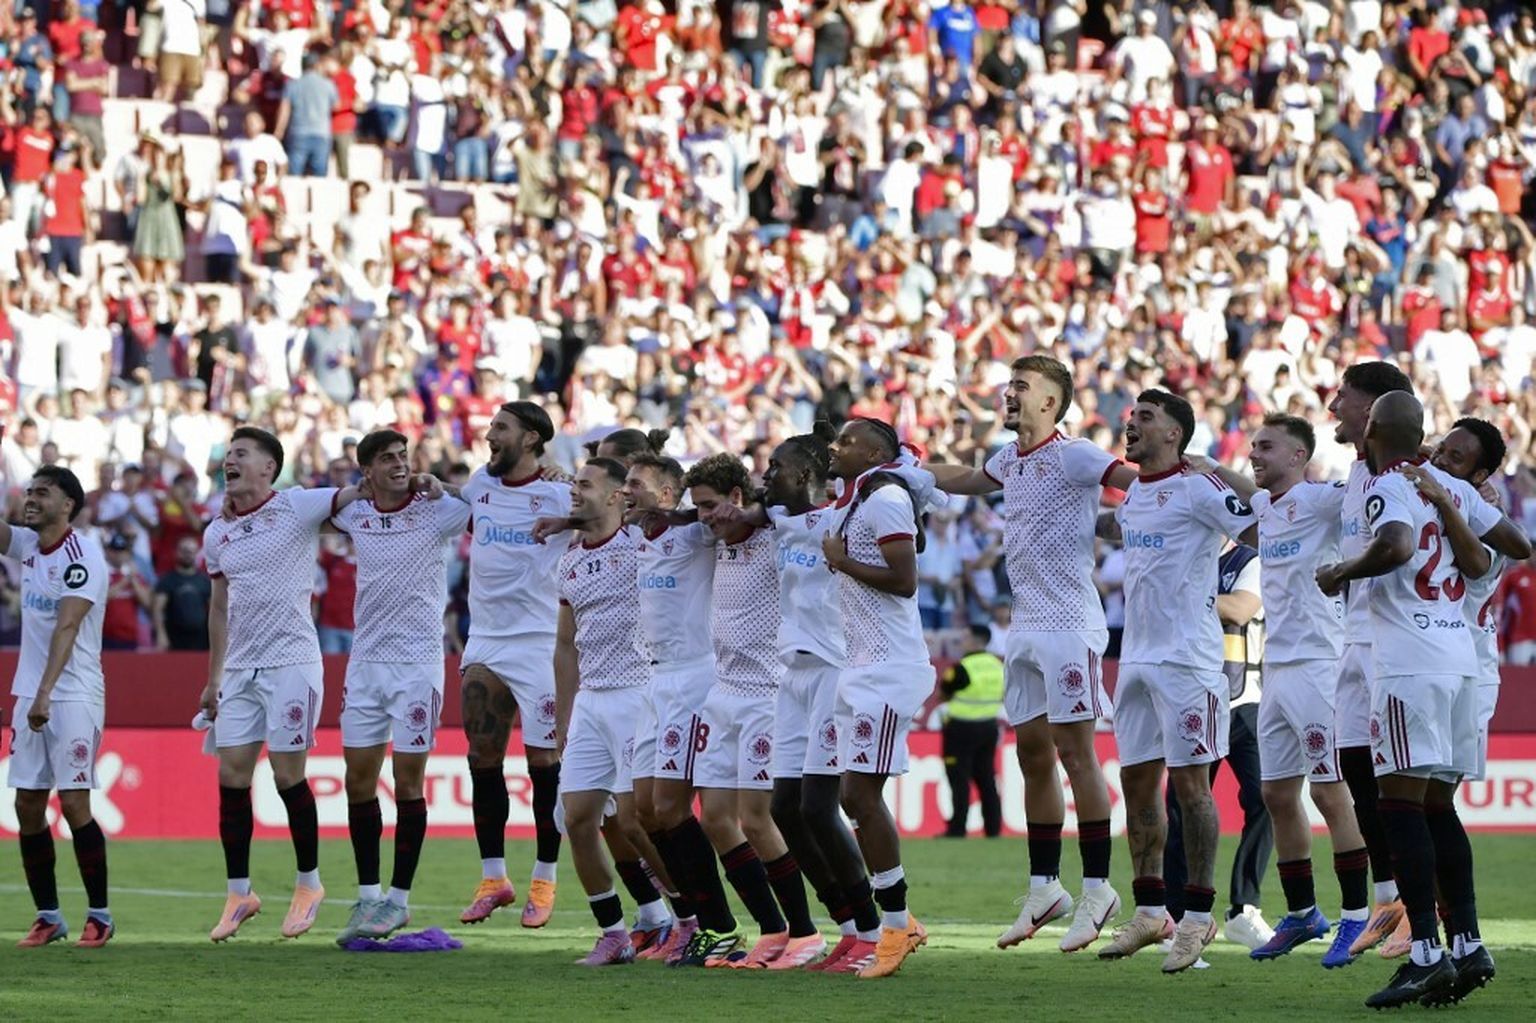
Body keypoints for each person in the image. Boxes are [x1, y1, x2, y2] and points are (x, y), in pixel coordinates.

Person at [1315, 391, 1528, 1008]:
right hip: (1461, 660)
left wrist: (1341, 571)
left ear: (1373, 431)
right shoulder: (1453, 488)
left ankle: (1426, 955)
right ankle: (1469, 945)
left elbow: (1399, 546)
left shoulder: (1390, 483)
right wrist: (1457, 502)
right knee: (1436, 807)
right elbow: (1516, 543)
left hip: (1409, 661)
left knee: (1399, 808)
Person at [926, 355, 1134, 952]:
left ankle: (1098, 888)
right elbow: (967, 479)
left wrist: (1169, 491)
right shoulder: (1007, 459)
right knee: (1032, 757)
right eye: (1009, 384)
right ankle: (1044, 886)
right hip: (1025, 626)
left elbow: (1131, 478)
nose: (1008, 393)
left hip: (1070, 624)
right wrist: (903, 469)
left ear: (1050, 401)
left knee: (1077, 755)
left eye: (1021, 385)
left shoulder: (1076, 455)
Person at [1093, 389, 1256, 973]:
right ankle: (1150, 910)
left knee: (1192, 788)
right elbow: (1118, 527)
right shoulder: (1137, 492)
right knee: (1137, 783)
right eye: (1132, 415)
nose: (1131, 424)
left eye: (1146, 417)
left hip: (1189, 660)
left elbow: (1259, 528)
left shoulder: (1199, 487)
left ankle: (1197, 917)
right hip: (1136, 658)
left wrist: (1226, 476)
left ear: (1174, 434)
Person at [199, 427, 361, 942]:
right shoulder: (216, 533)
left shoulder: (296, 506)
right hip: (239, 669)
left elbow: (356, 493)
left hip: (292, 662)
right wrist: (213, 677)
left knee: (288, 775)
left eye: (241, 454)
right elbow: (219, 608)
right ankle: (239, 893)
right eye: (228, 455)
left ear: (269, 467)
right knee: (231, 777)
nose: (230, 461)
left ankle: (309, 884)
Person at [1240, 414, 1372, 965]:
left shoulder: (1321, 500)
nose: (1255, 453)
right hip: (1276, 668)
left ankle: (1356, 916)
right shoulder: (1265, 507)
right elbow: (1241, 491)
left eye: (1266, 446)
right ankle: (1302, 914)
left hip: (1320, 664)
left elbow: (1365, 498)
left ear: (1298, 456)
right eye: (1253, 445)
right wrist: (1208, 466)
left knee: (1329, 792)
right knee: (1275, 795)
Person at [330, 430, 469, 944]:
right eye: (386, 458)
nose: (398, 464)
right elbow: (301, 516)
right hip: (365, 664)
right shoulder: (354, 513)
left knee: (408, 782)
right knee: (358, 781)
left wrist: (444, 486)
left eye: (402, 456)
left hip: (417, 665)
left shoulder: (437, 510)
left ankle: (399, 900)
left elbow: (488, 506)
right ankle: (367, 897)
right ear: (367, 469)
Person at [686, 453, 822, 968]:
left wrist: (759, 509)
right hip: (723, 693)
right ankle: (771, 928)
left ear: (738, 498)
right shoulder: (715, 541)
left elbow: (803, 507)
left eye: (710, 505)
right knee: (716, 819)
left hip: (767, 694)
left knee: (757, 818)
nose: (703, 517)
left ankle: (806, 933)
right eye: (697, 507)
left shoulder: (774, 538)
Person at [820, 417, 932, 977]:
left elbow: (905, 580)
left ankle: (894, 925)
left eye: (845, 441)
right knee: (853, 797)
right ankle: (897, 920)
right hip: (860, 664)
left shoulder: (885, 499)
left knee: (859, 794)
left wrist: (841, 561)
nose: (834, 447)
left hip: (889, 666)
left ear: (873, 454)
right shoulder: (858, 500)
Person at [451, 402, 569, 928]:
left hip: (540, 643)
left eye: (501, 427)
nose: (489, 433)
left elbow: (608, 514)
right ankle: (493, 878)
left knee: (543, 763)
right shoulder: (480, 484)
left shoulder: (560, 494)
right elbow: (457, 504)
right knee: (482, 756)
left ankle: (544, 878)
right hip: (485, 640)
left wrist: (574, 497)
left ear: (531, 438)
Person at [3, 466, 114, 948]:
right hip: (31, 692)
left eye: (42, 493)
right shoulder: (29, 545)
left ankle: (100, 915)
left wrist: (45, 693)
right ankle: (49, 916)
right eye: (29, 491)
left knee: (73, 802)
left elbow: (67, 628)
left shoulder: (82, 557)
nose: (30, 499)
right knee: (27, 804)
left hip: (73, 694)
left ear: (67, 504)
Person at [1325, 361, 1414, 956]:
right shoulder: (1357, 473)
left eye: (1342, 397)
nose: (1333, 407)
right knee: (1355, 766)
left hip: (1396, 641)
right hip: (1354, 638)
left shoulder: (1411, 473)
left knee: (1403, 781)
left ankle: (1424, 909)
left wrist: (1342, 572)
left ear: (1374, 407)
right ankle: (1389, 899)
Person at [553, 457, 650, 966]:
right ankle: (613, 932)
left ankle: (689, 920)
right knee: (577, 818)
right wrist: (563, 716)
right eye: (574, 483)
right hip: (591, 700)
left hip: (638, 693)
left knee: (636, 823)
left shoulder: (642, 545)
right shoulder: (569, 560)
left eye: (585, 484)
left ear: (616, 495)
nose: (575, 491)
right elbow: (565, 644)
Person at [1164, 540, 1275, 950]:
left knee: (1267, 799)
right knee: (1181, 809)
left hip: (1245, 702)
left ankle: (1244, 908)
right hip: (1194, 700)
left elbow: (1240, 609)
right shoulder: (1184, 555)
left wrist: (1184, 595)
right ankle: (1177, 916)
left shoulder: (1248, 560)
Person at [1427, 420, 1512, 787]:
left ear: (1479, 476)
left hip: (1470, 669)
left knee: (1437, 795)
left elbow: (1475, 566)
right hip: (1429, 661)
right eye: (1440, 450)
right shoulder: (1434, 501)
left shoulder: (1488, 525)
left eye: (1455, 457)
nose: (1440, 461)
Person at [937, 625, 1003, 839]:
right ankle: (993, 829)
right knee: (987, 779)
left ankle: (957, 829)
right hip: (989, 727)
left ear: (975, 641)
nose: (961, 641)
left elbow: (943, 694)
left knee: (959, 779)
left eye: (965, 637)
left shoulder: (962, 667)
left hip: (961, 728)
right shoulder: (998, 665)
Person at [153, 535, 211, 650]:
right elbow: (157, 609)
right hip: (174, 637)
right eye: (184, 551)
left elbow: (215, 610)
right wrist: (161, 633)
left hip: (201, 637)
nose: (188, 555)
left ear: (196, 554)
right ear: (177, 552)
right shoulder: (167, 580)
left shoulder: (205, 581)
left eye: (191, 551)